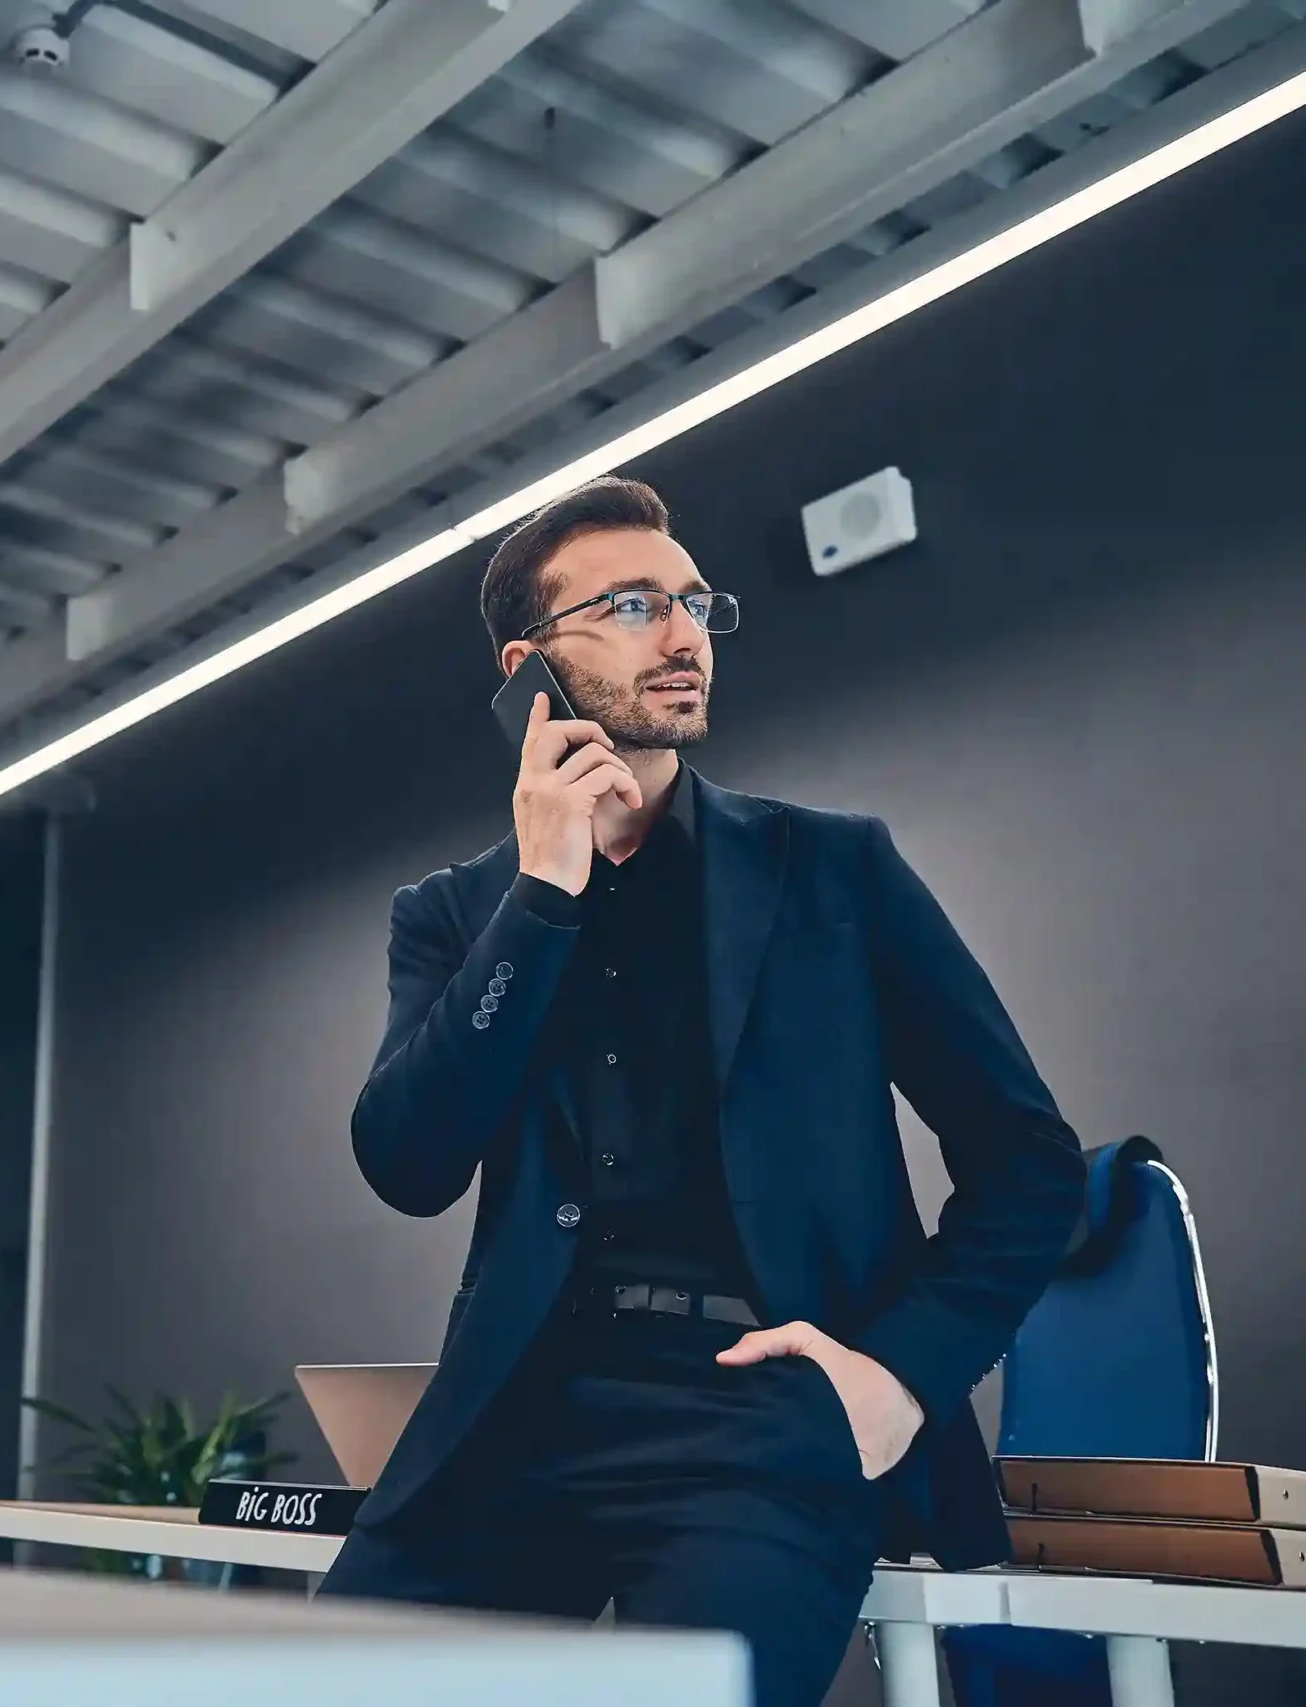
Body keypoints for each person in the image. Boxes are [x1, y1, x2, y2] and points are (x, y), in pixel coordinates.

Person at [320, 477, 1084, 1707]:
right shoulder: (454, 915)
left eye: (693, 604)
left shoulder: (834, 870)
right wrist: (542, 897)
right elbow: (408, 1164)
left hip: (761, 1418)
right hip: (517, 1410)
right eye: (630, 606)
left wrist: (895, 1382)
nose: (682, 637)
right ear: (529, 669)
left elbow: (1030, 1161)